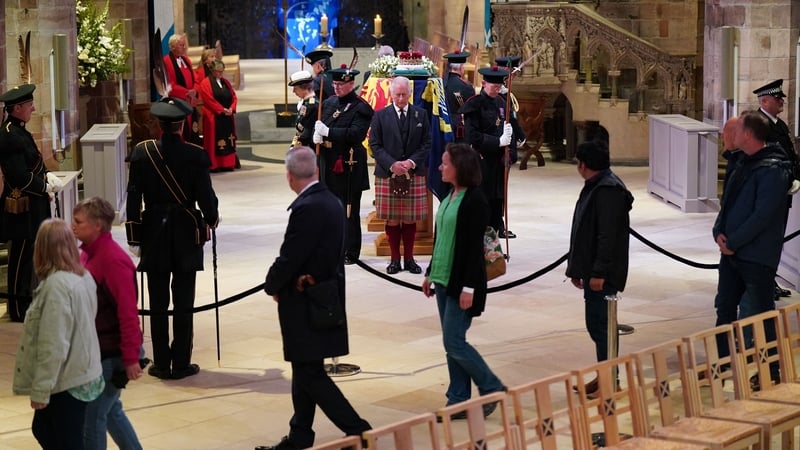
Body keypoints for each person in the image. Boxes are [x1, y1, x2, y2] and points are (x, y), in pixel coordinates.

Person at [258, 146, 371, 450]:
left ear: (289, 176)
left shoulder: (307, 207)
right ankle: (300, 435)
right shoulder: (330, 200)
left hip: (306, 300)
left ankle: (360, 432)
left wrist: (273, 284)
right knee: (305, 366)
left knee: (311, 374)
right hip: (322, 295)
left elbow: (291, 256)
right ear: (317, 172)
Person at [125, 97, 219, 380]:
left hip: (154, 230)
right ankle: (181, 362)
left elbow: (133, 197)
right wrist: (212, 219)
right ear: (182, 124)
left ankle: (161, 362)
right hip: (185, 233)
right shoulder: (195, 154)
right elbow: (206, 198)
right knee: (183, 300)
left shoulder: (143, 153)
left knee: (157, 301)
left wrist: (134, 235)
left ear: (158, 124)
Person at [421, 143, 506, 419]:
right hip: (444, 277)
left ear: (460, 168)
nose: (440, 167)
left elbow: (472, 248)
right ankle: (458, 399)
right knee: (451, 341)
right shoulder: (448, 196)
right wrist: (429, 273)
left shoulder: (475, 201)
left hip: (463, 282)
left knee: (455, 341)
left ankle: (492, 387)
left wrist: (469, 286)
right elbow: (441, 238)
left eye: (445, 163)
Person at [712, 110, 792, 386]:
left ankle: (770, 373)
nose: (730, 135)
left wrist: (733, 242)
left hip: (757, 256)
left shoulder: (773, 169)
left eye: (736, 130)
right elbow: (728, 203)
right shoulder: (742, 162)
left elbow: (762, 215)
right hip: (732, 253)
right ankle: (721, 369)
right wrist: (718, 232)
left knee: (761, 314)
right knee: (724, 308)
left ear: (747, 134)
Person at [12, 218, 104, 449]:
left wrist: (41, 390)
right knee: (45, 429)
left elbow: (53, 345)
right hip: (82, 372)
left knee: (62, 438)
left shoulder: (56, 287)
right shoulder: (83, 276)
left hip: (67, 380)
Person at [73, 197, 143, 450]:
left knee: (92, 419)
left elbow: (127, 312)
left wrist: (131, 356)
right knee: (112, 412)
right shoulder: (87, 253)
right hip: (98, 347)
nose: (73, 226)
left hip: (111, 352)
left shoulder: (112, 260)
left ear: (98, 226)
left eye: (79, 222)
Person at [565, 140, 633, 397]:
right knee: (596, 324)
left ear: (583, 165)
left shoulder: (607, 190)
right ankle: (605, 375)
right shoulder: (598, 185)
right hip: (592, 268)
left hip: (603, 274)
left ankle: (610, 381)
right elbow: (586, 230)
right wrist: (577, 268)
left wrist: (599, 273)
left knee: (602, 326)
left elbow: (607, 236)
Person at [0, 83, 61, 322]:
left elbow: (33, 161)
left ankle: (27, 300)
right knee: (21, 258)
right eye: (29, 105)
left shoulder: (19, 130)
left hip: (32, 205)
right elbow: (18, 175)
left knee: (31, 256)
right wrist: (42, 186)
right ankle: (17, 307)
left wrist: (47, 174)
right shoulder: (8, 135)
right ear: (16, 108)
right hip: (22, 206)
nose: (33, 108)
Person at [368, 76, 431, 274]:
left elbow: (427, 143)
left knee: (411, 219)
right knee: (393, 219)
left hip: (414, 172)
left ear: (410, 94)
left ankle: (410, 259)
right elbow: (374, 145)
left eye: (404, 95)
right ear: (391, 93)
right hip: (388, 173)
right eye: (397, 95)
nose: (401, 99)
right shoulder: (380, 116)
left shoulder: (421, 115)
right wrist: (392, 164)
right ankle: (395, 259)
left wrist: (410, 162)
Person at [313, 65, 373, 264]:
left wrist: (328, 132)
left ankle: (350, 251)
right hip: (328, 164)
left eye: (341, 84)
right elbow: (323, 123)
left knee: (349, 211)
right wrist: (317, 135)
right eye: (335, 84)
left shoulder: (361, 108)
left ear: (351, 84)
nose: (337, 87)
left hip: (349, 165)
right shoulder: (329, 103)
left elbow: (355, 134)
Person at [460, 66, 518, 239]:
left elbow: (510, 131)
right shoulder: (474, 104)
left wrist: (511, 151)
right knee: (482, 201)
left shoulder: (502, 103)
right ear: (484, 83)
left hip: (499, 162)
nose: (496, 88)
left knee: (497, 200)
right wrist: (497, 141)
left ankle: (494, 243)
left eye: (499, 85)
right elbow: (472, 136)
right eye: (493, 85)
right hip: (482, 161)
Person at [753, 79, 796, 300]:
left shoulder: (779, 125)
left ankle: (770, 279)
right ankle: (763, 283)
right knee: (765, 239)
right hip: (769, 193)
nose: (782, 102)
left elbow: (789, 155)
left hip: (782, 191)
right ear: (765, 100)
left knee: (775, 238)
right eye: (778, 99)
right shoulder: (758, 124)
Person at [197, 59, 239, 172]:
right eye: (218, 71)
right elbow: (208, 100)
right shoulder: (205, 83)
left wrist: (232, 108)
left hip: (227, 116)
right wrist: (222, 110)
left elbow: (233, 96)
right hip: (214, 117)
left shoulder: (226, 82)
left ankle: (228, 163)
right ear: (212, 71)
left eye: (222, 71)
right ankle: (215, 164)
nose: (220, 73)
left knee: (228, 139)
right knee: (215, 141)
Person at [163, 33, 201, 145]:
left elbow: (196, 79)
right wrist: (187, 93)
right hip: (178, 103)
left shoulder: (186, 60)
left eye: (184, 45)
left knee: (193, 133)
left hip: (190, 101)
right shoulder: (167, 61)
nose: (184, 47)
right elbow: (169, 85)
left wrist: (195, 90)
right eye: (181, 45)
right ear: (173, 46)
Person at [443, 50, 476, 143]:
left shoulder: (440, 83)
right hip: (458, 128)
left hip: (441, 124)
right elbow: (472, 111)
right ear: (461, 67)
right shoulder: (466, 87)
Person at [288, 70, 318, 149]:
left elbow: (306, 134)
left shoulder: (312, 106)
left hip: (309, 149)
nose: (293, 91)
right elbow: (299, 131)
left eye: (295, 88)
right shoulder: (305, 103)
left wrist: (295, 148)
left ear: (305, 87)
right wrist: (293, 145)